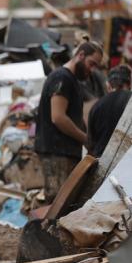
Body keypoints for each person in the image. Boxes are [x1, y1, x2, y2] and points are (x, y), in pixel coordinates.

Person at [35, 41, 102, 199]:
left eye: (95, 67)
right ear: (80, 55)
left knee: (61, 204)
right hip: (57, 152)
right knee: (57, 204)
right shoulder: (62, 78)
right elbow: (58, 117)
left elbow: (73, 117)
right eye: (91, 64)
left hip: (63, 153)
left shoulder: (71, 80)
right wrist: (86, 139)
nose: (92, 71)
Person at [87, 65, 132, 157]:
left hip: (101, 160)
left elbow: (90, 142)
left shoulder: (96, 106)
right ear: (129, 84)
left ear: (108, 85)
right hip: (128, 160)